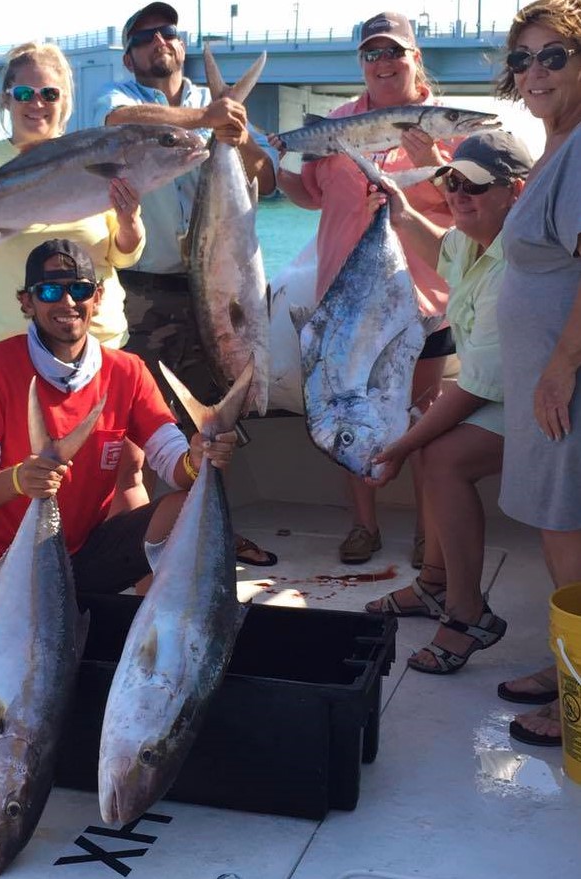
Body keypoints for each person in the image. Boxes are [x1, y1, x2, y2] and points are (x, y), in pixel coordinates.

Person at [0, 238, 239, 599]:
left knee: (181, 508)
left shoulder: (127, 370)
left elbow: (174, 464)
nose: (67, 302)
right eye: (50, 291)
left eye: (80, 289)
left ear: (97, 298)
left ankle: (157, 634)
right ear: (26, 302)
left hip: (86, 555)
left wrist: (197, 459)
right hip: (3, 565)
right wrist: (21, 479)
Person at [93, 2, 278, 567]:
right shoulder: (119, 99)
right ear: (130, 55)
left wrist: (239, 136)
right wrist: (206, 122)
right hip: (146, 288)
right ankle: (156, 533)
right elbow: (117, 124)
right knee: (146, 416)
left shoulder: (219, 109)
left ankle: (216, 523)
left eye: (168, 33)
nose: (159, 42)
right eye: (145, 37)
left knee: (218, 411)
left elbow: (266, 180)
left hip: (220, 285)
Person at [271, 11, 457, 566]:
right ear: (361, 63)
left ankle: (431, 533)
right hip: (343, 302)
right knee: (343, 407)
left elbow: (464, 210)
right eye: (371, 54)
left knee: (424, 422)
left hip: (421, 303)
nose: (382, 63)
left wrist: (432, 162)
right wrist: (285, 157)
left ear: (415, 57)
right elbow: (307, 195)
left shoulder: (444, 125)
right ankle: (363, 526)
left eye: (393, 52)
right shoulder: (335, 125)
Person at [361, 131, 533, 674]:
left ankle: (467, 611)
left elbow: (478, 387)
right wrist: (402, 211)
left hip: (553, 402)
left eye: (475, 186)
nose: (459, 195)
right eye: (452, 182)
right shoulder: (471, 239)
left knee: (441, 457)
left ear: (516, 192)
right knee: (433, 447)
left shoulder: (518, 266)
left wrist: (396, 449)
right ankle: (435, 585)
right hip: (512, 391)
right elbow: (443, 250)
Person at [0, 41, 144, 353]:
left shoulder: (97, 156)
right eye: (24, 94)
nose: (37, 103)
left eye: (49, 93)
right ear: (7, 98)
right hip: (5, 347)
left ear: (64, 99)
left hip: (98, 345)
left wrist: (129, 220)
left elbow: (125, 255)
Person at [493, 0, 581, 747]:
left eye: (553, 55)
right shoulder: (552, 145)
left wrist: (559, 367)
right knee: (560, 535)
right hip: (546, 383)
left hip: (566, 383)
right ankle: (566, 668)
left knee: (570, 534)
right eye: (523, 58)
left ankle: (578, 692)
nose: (535, 72)